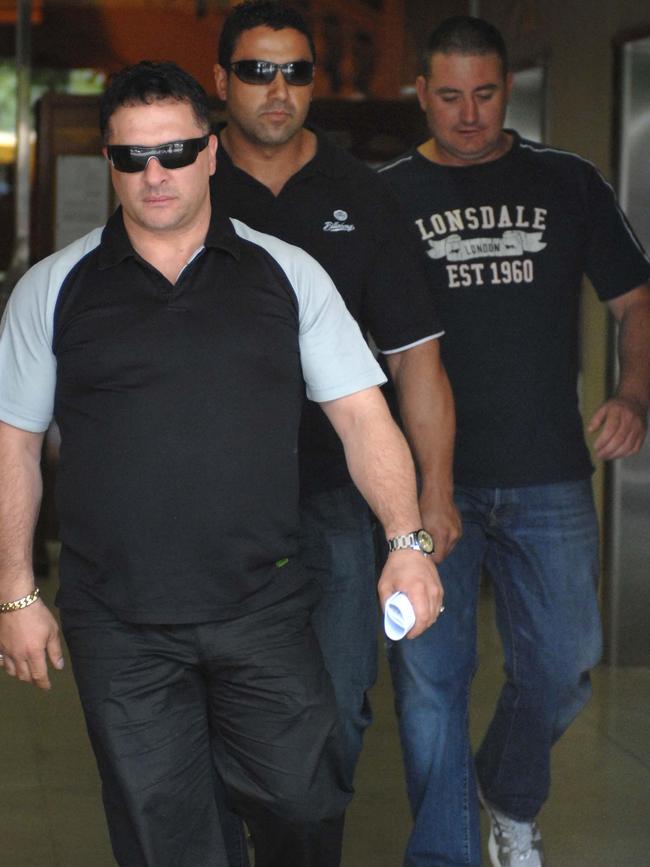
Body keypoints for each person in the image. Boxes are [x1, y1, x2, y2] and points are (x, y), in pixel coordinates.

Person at [0, 61, 444, 867]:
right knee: (166, 834)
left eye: (173, 151)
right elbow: (14, 446)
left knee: (304, 799)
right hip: (120, 617)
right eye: (132, 157)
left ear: (211, 153)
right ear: (111, 163)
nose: (155, 174)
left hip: (263, 603)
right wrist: (15, 591)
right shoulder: (53, 289)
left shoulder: (289, 274)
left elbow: (361, 415)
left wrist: (406, 544)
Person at [379, 15, 650, 867]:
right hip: (428, 481)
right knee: (431, 687)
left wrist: (635, 389)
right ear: (421, 93)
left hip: (548, 474)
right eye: (449, 96)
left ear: (507, 89)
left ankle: (507, 789)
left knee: (567, 662)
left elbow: (636, 301)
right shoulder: (385, 195)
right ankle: (450, 853)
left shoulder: (567, 182)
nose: (468, 115)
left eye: (485, 95)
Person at [212, 0, 459, 784]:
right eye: (257, 71)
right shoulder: (183, 183)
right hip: (214, 496)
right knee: (215, 702)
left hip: (340, 494)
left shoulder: (365, 193)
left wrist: (432, 497)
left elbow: (417, 360)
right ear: (222, 81)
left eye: (295, 72)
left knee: (340, 702)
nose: (277, 89)